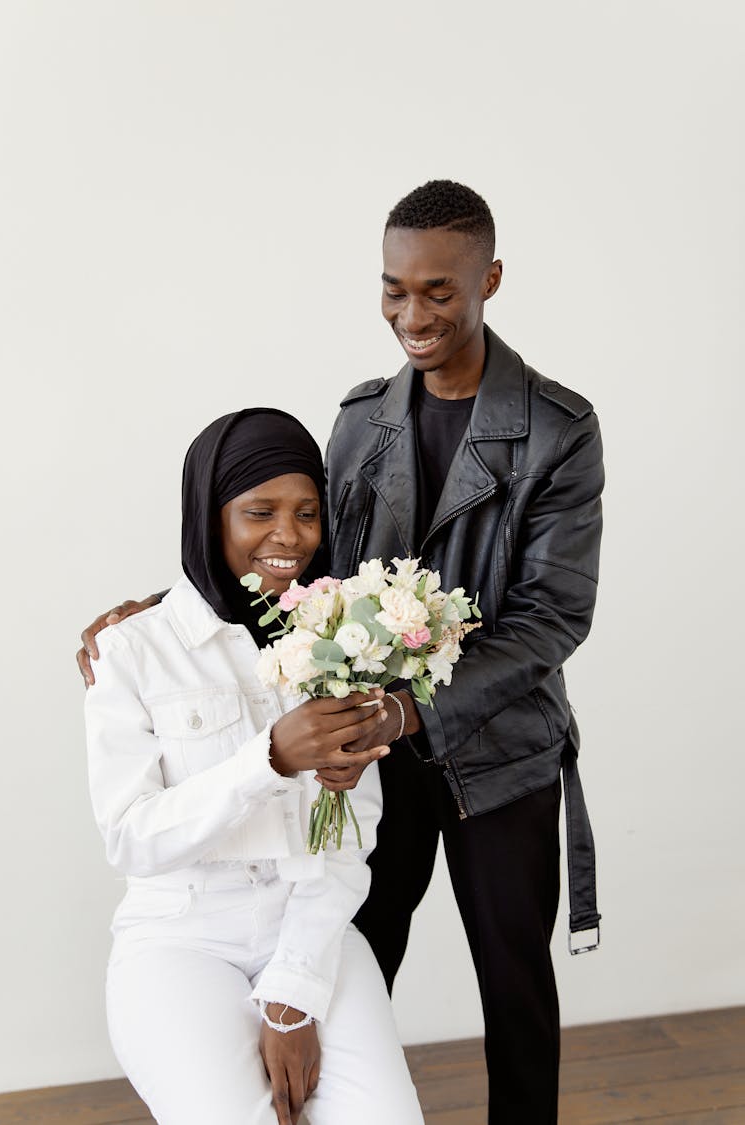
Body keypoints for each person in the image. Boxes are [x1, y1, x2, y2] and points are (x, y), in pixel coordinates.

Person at [78, 181, 603, 1124]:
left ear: (490, 278)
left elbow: (551, 617)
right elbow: (298, 555)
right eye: (394, 289)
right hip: (366, 749)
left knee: (514, 988)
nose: (413, 314)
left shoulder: (560, 431)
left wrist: (415, 707)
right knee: (350, 950)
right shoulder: (364, 418)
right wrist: (161, 605)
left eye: (439, 291)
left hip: (500, 756)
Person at [84, 407, 424, 1125]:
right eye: (259, 511)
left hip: (312, 927)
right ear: (210, 517)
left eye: (306, 512)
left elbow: (352, 832)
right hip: (178, 940)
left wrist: (293, 995)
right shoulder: (132, 651)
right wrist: (268, 759)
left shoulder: (342, 639)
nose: (289, 535)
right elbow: (131, 837)